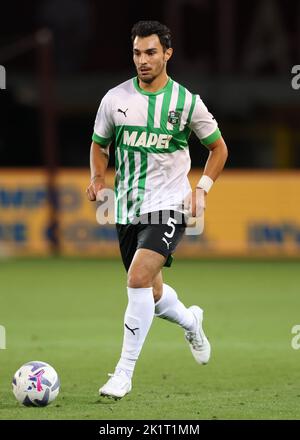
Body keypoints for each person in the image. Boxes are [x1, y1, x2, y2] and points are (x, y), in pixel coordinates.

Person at [86, 20, 228, 399]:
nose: (143, 60)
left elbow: (218, 148)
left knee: (136, 279)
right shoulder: (114, 99)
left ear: (167, 53)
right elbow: (100, 145)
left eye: (150, 52)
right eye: (137, 53)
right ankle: (191, 322)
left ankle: (123, 373)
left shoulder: (186, 102)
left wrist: (202, 189)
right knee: (150, 292)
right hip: (127, 208)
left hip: (169, 206)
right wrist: (98, 178)